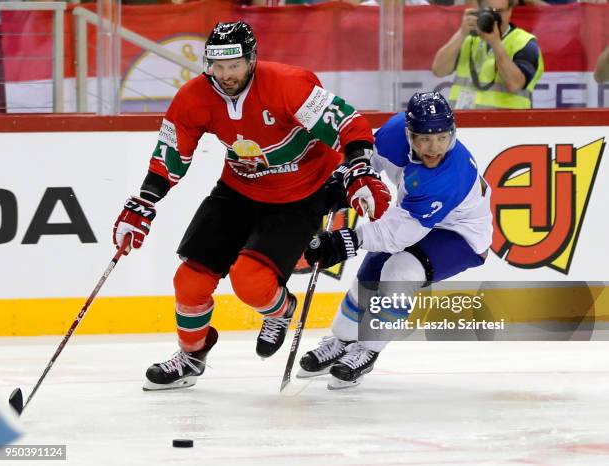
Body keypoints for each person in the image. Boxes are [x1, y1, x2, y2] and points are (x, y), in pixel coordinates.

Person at [112, 21, 391, 391]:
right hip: (237, 190)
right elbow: (169, 156)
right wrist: (143, 202)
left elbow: (349, 125)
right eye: (217, 66)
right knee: (189, 281)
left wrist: (357, 170)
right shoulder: (194, 97)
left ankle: (280, 311)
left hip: (300, 195)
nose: (225, 75)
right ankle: (192, 356)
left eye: (234, 65)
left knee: (251, 283)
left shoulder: (287, 85)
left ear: (251, 60)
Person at [298, 92, 492, 389]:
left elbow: (398, 235)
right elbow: (367, 160)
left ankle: (369, 348)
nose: (434, 148)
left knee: (401, 270)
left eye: (442, 138)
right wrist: (344, 177)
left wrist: (345, 241)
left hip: (461, 233)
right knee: (370, 275)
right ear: (408, 133)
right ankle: (341, 339)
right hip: (414, 216)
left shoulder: (448, 175)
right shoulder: (392, 134)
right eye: (424, 139)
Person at [431, 0, 544, 109]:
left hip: (506, 124)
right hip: (464, 122)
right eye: (490, 11)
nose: (495, 17)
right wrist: (461, 33)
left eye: (499, 11)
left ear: (510, 11)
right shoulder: (468, 38)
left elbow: (514, 85)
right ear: (479, 9)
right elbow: (439, 70)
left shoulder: (525, 42)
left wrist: (495, 43)